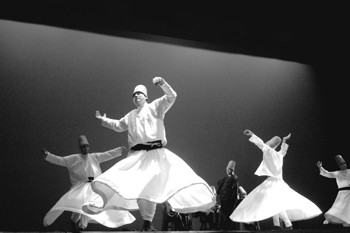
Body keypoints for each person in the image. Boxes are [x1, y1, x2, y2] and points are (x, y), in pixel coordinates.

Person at [82, 77, 216, 231]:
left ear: (146, 96)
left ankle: (149, 222)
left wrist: (162, 84)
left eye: (139, 94)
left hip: (155, 154)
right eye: (134, 95)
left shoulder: (156, 107)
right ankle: (143, 220)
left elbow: (172, 97)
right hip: (137, 156)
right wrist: (104, 120)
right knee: (134, 185)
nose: (136, 96)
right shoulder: (131, 115)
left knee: (158, 185)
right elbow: (119, 125)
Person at [230, 130, 322, 230]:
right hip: (279, 182)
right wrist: (284, 141)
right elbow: (283, 150)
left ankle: (287, 224)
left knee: (272, 202)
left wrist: (252, 134)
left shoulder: (268, 151)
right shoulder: (279, 155)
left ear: (270, 144)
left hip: (272, 182)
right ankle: (278, 225)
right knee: (275, 203)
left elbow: (260, 144)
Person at [42, 135, 135, 232]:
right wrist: (48, 155)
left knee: (89, 207)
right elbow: (60, 160)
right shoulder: (73, 158)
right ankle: (74, 222)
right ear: (80, 148)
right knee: (79, 207)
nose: (85, 148)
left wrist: (118, 150)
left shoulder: (94, 157)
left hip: (93, 187)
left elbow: (107, 154)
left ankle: (81, 227)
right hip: (80, 187)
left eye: (87, 146)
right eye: (83, 146)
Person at [317, 154, 350, 227]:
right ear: (339, 166)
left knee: (348, 208)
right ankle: (329, 218)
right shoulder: (337, 173)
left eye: (344, 163)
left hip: (349, 193)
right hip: (342, 193)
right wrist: (320, 167)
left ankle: (346, 222)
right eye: (341, 164)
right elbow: (327, 174)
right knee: (337, 207)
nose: (344, 165)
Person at [216, 160, 239, 230]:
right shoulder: (234, 178)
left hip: (225, 201)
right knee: (228, 219)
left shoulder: (225, 179)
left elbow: (218, 191)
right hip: (229, 202)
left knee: (224, 219)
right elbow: (235, 192)